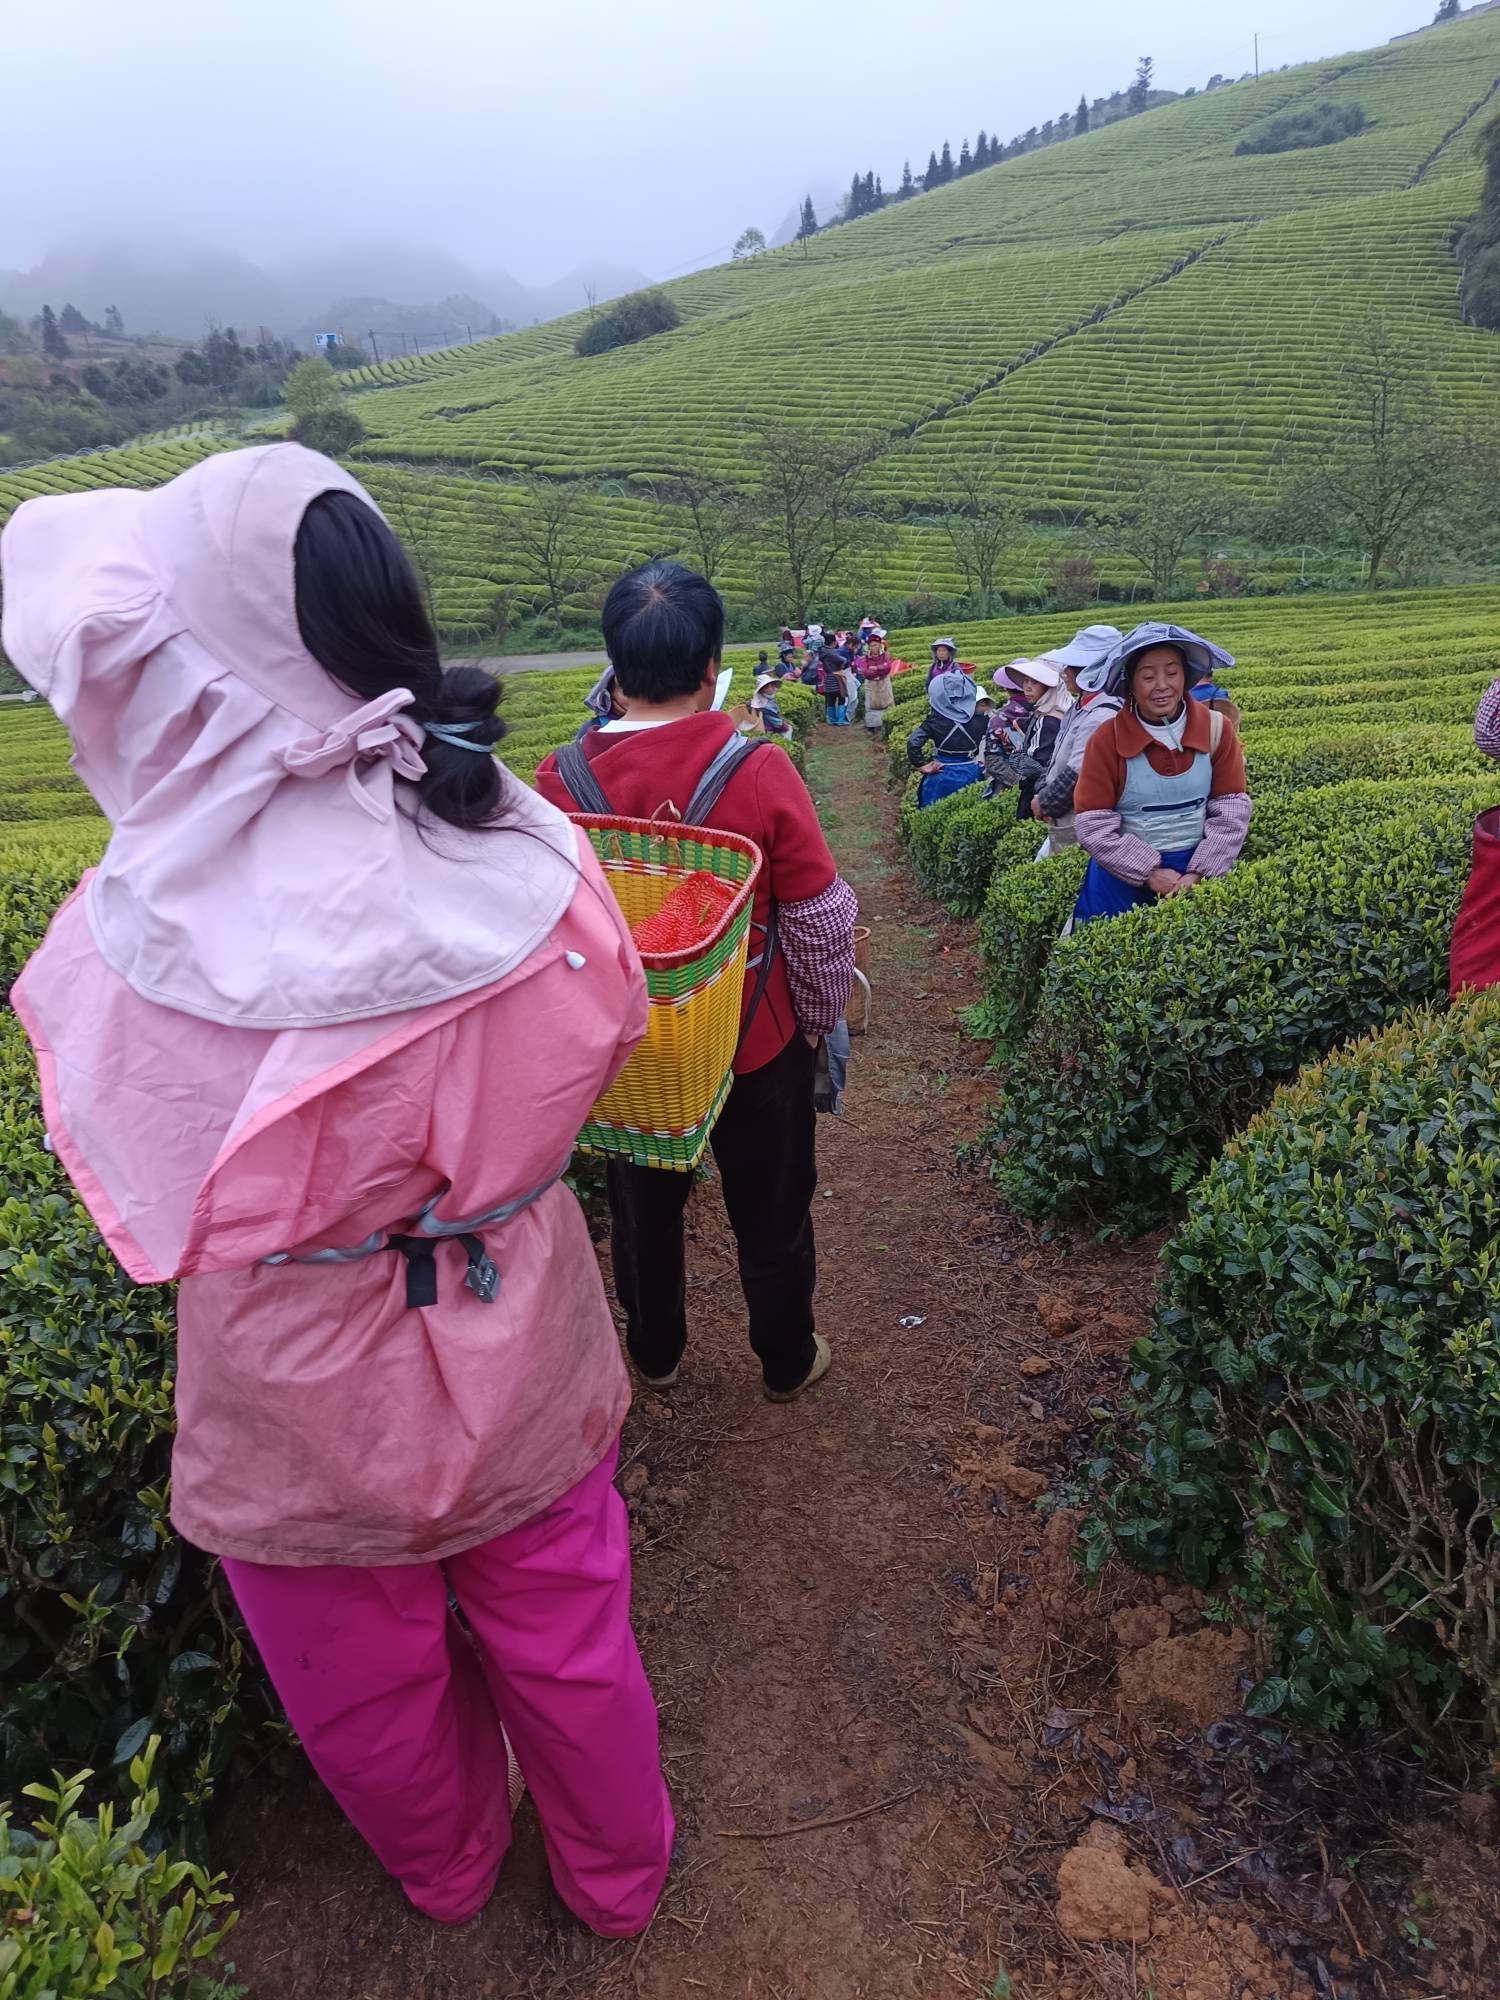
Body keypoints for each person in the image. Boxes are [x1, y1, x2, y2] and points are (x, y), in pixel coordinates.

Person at [2, 444, 673, 1935]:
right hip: (516, 1311)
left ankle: (445, 1870)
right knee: (570, 1636)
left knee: (357, 1684)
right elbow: (612, 1030)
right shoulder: (522, 840)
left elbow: (142, 1163)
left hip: (292, 1374)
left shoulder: (140, 925)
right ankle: (618, 1885)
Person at [535, 562, 857, 1400]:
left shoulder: (559, 779)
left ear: (611, 664)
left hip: (633, 1047)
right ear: (713, 667)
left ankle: (656, 1352)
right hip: (754, 1039)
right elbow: (820, 918)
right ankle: (785, 1358)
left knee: (643, 1209)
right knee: (773, 1204)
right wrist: (815, 1022)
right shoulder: (758, 770)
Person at [1072, 621, 1251, 926]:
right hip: (1121, 881)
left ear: (1186, 676)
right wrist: (1149, 873)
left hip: (1197, 876)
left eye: (1172, 673)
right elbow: (1093, 822)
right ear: (1130, 683)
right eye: (1147, 676)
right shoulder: (1106, 739)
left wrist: (1200, 872)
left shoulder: (1216, 729)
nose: (1162, 685)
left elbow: (1231, 806)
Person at [1029, 625, 1125, 848]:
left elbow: (1080, 772)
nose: (1065, 671)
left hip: (1078, 821)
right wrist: (1042, 791)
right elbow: (1058, 760)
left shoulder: (1102, 714)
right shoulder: (1080, 706)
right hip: (1064, 818)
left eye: (1073, 666)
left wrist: (1045, 803)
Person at [984, 659, 1072, 820]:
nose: (1027, 687)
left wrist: (1017, 756)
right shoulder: (1060, 711)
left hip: (1039, 797)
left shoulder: (1047, 719)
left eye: (1035, 682)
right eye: (1025, 681)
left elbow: (1037, 770)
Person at [907, 668, 988, 807]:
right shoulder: (981, 719)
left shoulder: (934, 721)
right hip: (971, 771)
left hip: (941, 773)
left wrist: (921, 765)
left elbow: (913, 742)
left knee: (934, 814)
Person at [856, 625, 896, 733]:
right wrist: (878, 670)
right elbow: (866, 671)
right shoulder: (865, 658)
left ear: (879, 645)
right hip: (871, 683)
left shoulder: (885, 655)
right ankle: (872, 726)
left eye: (876, 645)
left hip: (884, 682)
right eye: (872, 645)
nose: (874, 647)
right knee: (871, 704)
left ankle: (889, 722)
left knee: (887, 701)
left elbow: (887, 667)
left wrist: (876, 668)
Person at [577, 661, 627, 737]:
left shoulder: (647, 723)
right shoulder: (593, 727)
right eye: (626, 691)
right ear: (609, 693)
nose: (635, 697)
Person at [749, 669, 792, 735]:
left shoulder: (766, 697)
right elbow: (778, 723)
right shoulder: (765, 704)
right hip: (770, 730)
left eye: (771, 685)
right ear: (761, 690)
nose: (771, 688)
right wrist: (787, 727)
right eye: (767, 687)